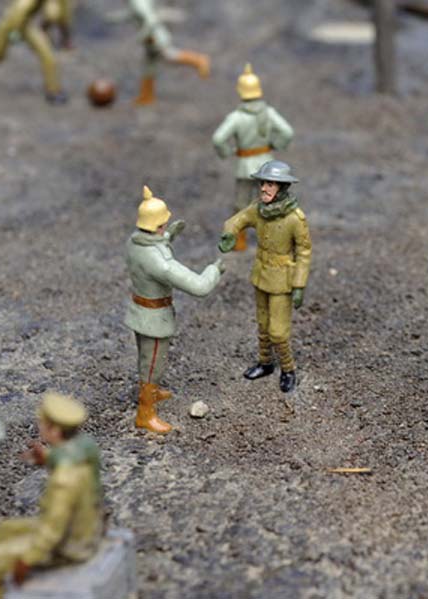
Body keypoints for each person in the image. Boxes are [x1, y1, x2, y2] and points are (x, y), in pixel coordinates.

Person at [0, 393, 103, 599]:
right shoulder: (83, 447)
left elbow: (52, 532)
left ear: (55, 430)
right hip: (85, 527)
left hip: (70, 545)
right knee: (5, 530)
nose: (39, 426)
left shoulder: (63, 482)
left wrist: (26, 560)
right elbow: (69, 455)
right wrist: (47, 457)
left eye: (42, 423)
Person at [125, 185, 223, 433]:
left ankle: (152, 392)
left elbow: (151, 247)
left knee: (147, 358)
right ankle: (145, 413)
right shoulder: (159, 262)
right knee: (153, 364)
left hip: (139, 310)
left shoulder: (134, 242)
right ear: (157, 225)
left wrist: (167, 237)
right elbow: (199, 286)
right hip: (154, 319)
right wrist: (214, 270)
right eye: (163, 225)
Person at [219, 160, 312, 392]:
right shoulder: (258, 209)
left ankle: (288, 369)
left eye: (270, 184)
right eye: (263, 183)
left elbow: (304, 252)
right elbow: (236, 220)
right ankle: (265, 362)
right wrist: (229, 233)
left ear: (282, 187)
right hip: (261, 274)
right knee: (262, 324)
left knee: (278, 331)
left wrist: (299, 284)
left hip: (282, 280)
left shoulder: (295, 218)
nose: (264, 188)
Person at [212, 64, 294, 250]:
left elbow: (218, 139)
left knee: (241, 204)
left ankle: (239, 241)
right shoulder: (269, 113)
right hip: (266, 164)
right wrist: (276, 145)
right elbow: (287, 132)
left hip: (245, 166)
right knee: (270, 203)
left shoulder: (236, 117)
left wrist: (227, 152)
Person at [127, 0, 210, 105]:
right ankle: (147, 95)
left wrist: (142, 35)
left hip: (154, 37)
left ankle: (198, 60)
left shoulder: (138, 2)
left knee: (169, 56)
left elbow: (151, 19)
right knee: (149, 65)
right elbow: (137, 14)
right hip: (150, 37)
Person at [0, 0, 67, 104]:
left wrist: (46, 25)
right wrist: (14, 33)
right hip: (10, 24)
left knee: (47, 55)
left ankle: (53, 90)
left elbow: (53, 14)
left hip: (26, 25)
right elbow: (19, 11)